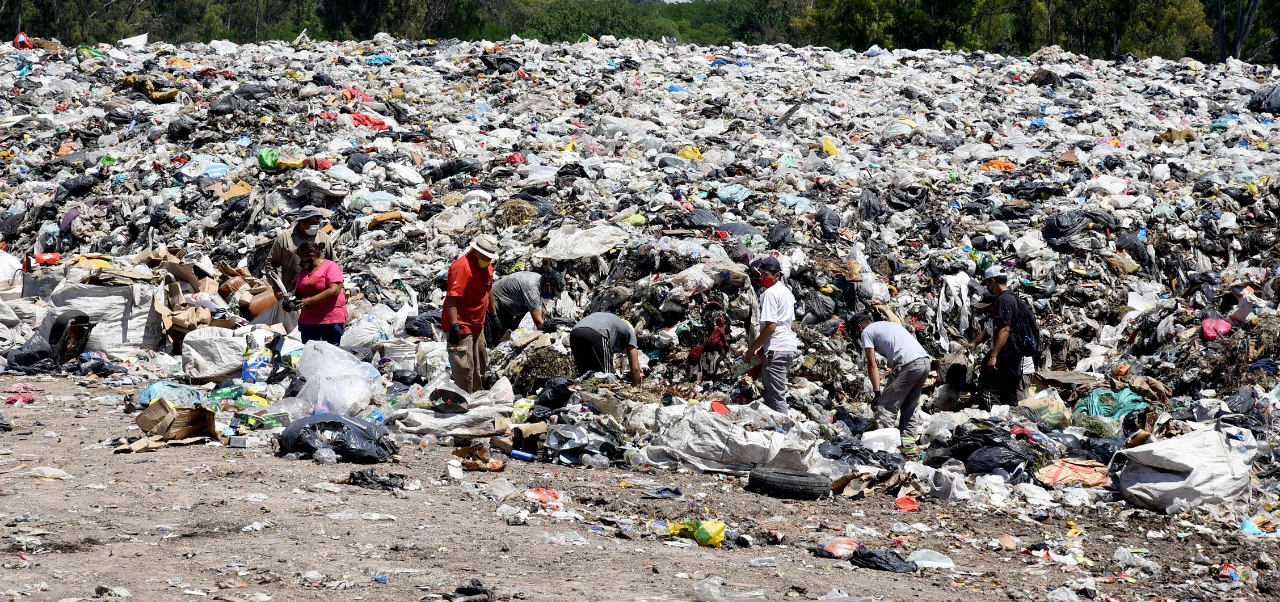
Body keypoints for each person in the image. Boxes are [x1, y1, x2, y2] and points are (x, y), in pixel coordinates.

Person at [851, 313, 931, 454]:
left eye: (856, 333)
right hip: (924, 362)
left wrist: (877, 393)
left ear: (859, 326)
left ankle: (883, 450)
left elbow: (872, 364)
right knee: (910, 405)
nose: (858, 337)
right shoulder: (887, 325)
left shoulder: (867, 332)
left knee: (885, 405)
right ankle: (908, 448)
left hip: (909, 365)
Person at [743, 256, 801, 413]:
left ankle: (784, 431)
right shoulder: (787, 293)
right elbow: (793, 325)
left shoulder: (770, 293)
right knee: (773, 392)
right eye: (761, 274)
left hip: (777, 349)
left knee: (775, 396)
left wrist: (752, 349)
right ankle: (778, 428)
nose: (762, 278)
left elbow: (770, 327)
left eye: (766, 274)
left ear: (777, 275)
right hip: (788, 348)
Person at [444, 234, 498, 393]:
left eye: (490, 257)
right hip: (461, 327)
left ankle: (477, 397)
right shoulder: (461, 267)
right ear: (476, 251)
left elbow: (489, 290)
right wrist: (454, 326)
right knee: (464, 368)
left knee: (480, 365)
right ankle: (465, 401)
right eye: (486, 256)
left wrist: (493, 315)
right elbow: (452, 298)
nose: (488, 259)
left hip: (477, 325)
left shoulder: (487, 266)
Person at [979, 265, 1033, 407]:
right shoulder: (1013, 298)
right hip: (1013, 354)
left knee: (987, 387)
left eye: (987, 283)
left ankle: (994, 419)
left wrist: (993, 356)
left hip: (1006, 354)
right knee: (1008, 391)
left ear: (992, 281)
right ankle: (1009, 420)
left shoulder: (1003, 300)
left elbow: (1004, 329)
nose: (987, 287)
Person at [967, 299, 1033, 403]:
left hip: (1020, 369)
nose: (987, 310)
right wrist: (975, 343)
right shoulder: (995, 319)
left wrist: (993, 357)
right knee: (1005, 399)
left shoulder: (1007, 321)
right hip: (1007, 369)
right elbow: (987, 332)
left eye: (989, 307)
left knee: (1019, 403)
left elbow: (1005, 332)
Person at [269, 205, 335, 292]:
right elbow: (270, 263)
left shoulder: (323, 238)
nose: (316, 226)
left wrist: (339, 285)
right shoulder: (284, 238)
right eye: (313, 224)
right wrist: (276, 287)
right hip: (292, 292)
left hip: (319, 294)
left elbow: (334, 263)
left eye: (318, 223)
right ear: (302, 222)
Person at [489, 268, 566, 342]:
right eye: (553, 293)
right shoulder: (532, 289)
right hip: (494, 303)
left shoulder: (538, 280)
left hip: (506, 305)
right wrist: (549, 336)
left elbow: (525, 306)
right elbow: (538, 322)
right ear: (548, 286)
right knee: (495, 335)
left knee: (509, 332)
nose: (552, 296)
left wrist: (516, 325)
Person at [293, 242, 347, 345]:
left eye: (302, 258)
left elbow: (334, 290)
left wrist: (310, 301)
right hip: (308, 321)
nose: (301, 261)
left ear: (312, 256)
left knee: (330, 354)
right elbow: (299, 291)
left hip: (330, 319)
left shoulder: (331, 267)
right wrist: (291, 302)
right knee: (310, 354)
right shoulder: (305, 271)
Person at [569, 312, 642, 386]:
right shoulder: (630, 332)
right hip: (597, 333)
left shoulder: (613, 322)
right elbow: (635, 368)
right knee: (607, 377)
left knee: (584, 375)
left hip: (574, 333)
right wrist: (635, 386)